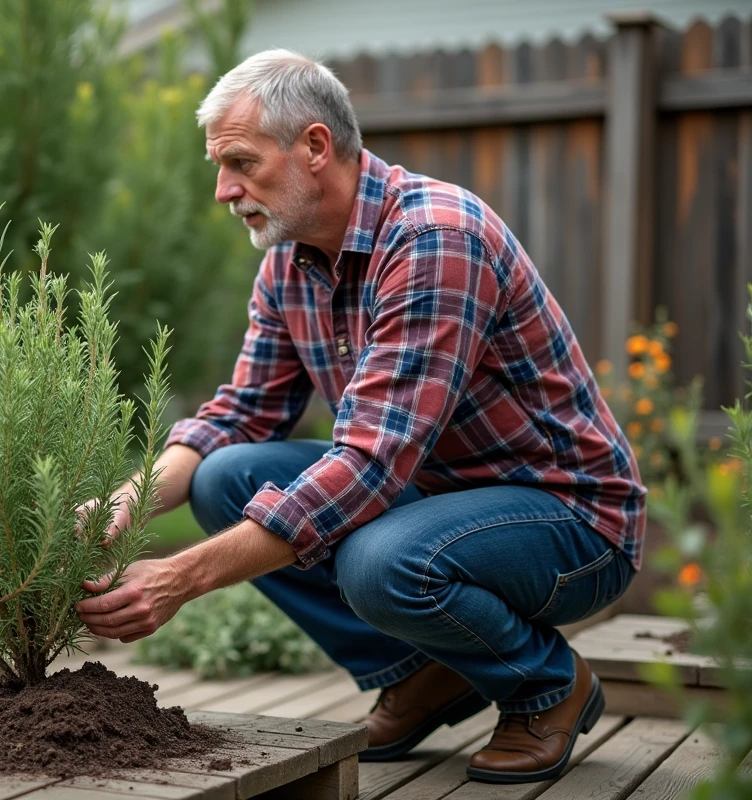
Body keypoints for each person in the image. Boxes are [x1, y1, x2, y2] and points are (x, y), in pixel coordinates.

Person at [74, 49, 644, 785]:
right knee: (225, 478)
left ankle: (546, 684)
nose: (223, 190)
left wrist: (181, 577)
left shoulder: (436, 239)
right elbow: (243, 414)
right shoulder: (290, 260)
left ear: (314, 147)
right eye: (219, 166)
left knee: (381, 563)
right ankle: (422, 674)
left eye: (241, 162)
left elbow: (370, 466)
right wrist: (129, 500)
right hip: (441, 504)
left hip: (571, 521)